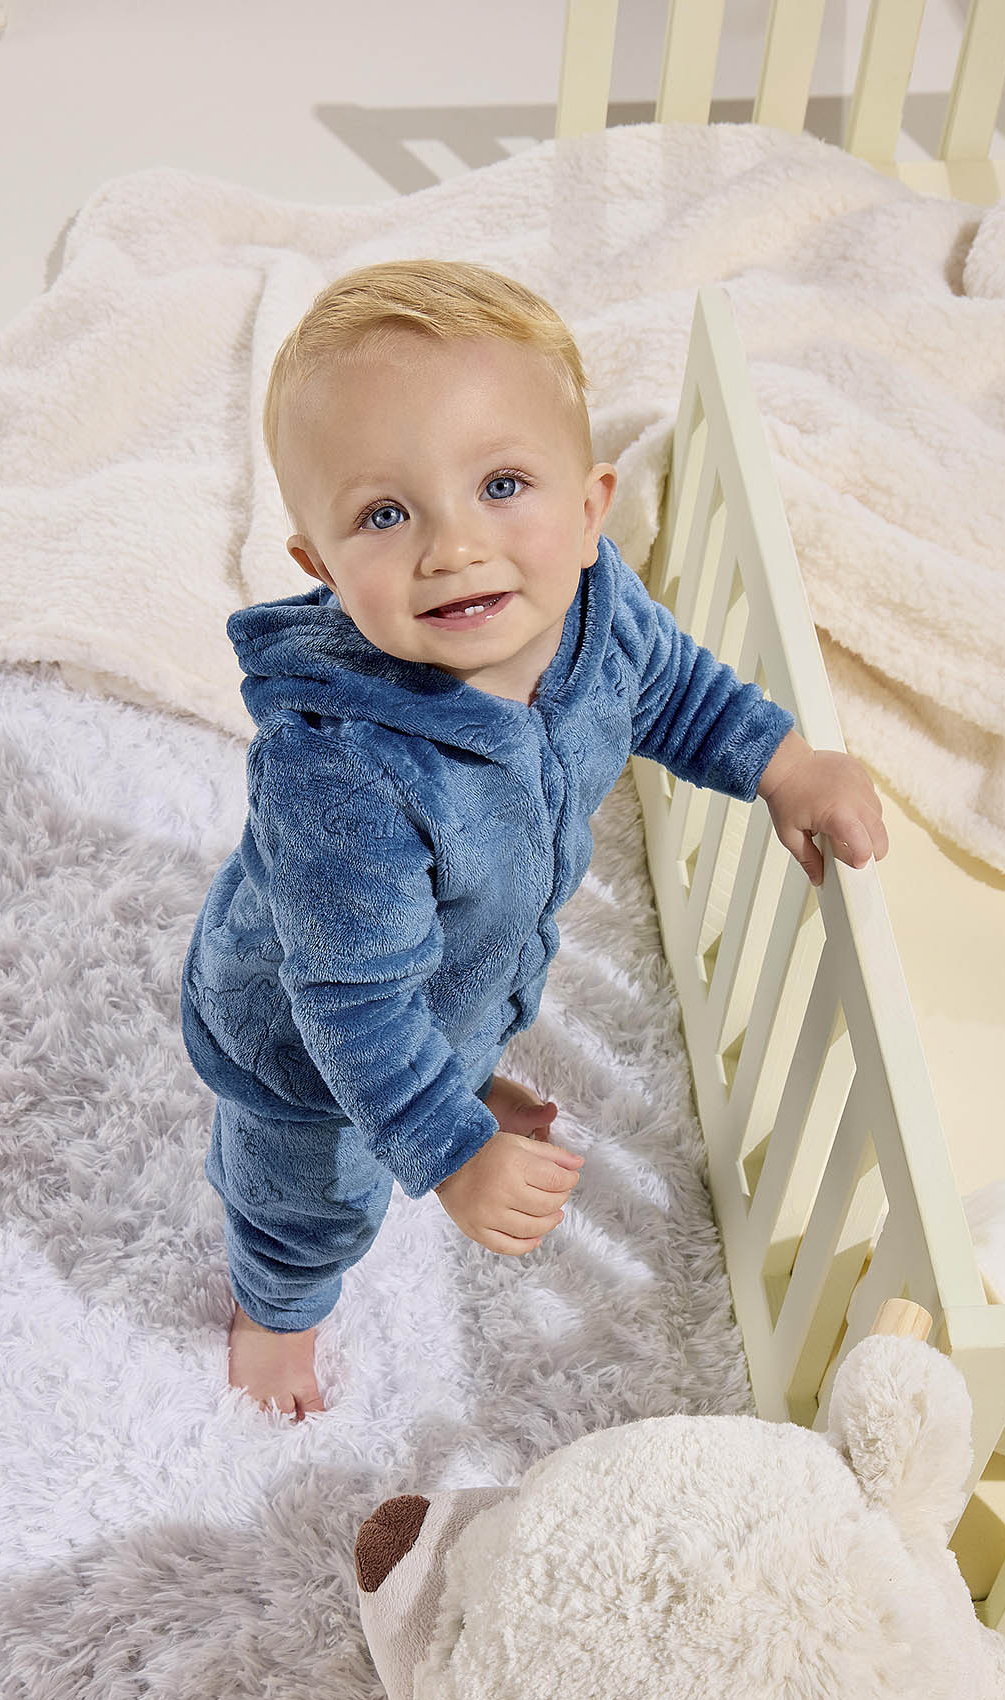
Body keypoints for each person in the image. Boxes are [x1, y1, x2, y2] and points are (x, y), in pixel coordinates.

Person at [181, 259, 887, 1418]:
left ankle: (458, 1069)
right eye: (385, 514)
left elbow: (675, 693)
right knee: (314, 1196)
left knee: (459, 1006)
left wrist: (785, 763)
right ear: (317, 565)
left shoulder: (596, 610)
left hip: (461, 964)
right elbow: (353, 1005)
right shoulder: (341, 769)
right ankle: (275, 1308)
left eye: (502, 484)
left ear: (594, 507)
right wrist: (453, 1153)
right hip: (306, 1047)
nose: (454, 546)